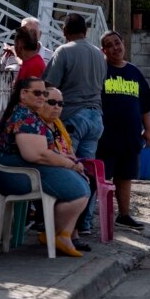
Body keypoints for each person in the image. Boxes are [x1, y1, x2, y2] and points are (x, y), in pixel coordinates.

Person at [0, 77, 91, 258]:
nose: (43, 98)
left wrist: (67, 160)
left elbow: (44, 152)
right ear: (23, 94)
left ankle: (62, 235)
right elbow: (37, 155)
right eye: (37, 93)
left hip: (29, 170)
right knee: (78, 190)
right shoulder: (24, 117)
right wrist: (68, 164)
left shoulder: (31, 115)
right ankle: (58, 234)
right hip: (18, 175)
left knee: (83, 184)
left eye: (44, 93)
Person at [43, 13, 107, 233]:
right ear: (86, 31)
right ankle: (85, 222)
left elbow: (50, 85)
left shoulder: (64, 52)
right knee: (88, 169)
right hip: (95, 117)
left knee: (69, 167)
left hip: (72, 117)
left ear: (64, 31)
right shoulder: (99, 55)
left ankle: (67, 225)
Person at [99, 30, 150, 231]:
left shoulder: (134, 72)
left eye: (118, 42)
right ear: (103, 50)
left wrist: (148, 131)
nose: (116, 47)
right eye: (110, 45)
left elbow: (146, 105)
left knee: (125, 176)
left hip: (130, 136)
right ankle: (97, 217)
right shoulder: (101, 71)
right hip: (106, 137)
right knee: (102, 178)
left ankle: (123, 215)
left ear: (123, 43)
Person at [36, 84, 94, 253]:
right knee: (80, 186)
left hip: (62, 165)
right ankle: (57, 233)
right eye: (52, 102)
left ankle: (69, 234)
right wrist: (70, 164)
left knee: (89, 180)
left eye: (60, 104)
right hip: (46, 170)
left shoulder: (58, 125)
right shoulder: (36, 124)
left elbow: (68, 150)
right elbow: (45, 154)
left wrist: (75, 162)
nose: (56, 107)